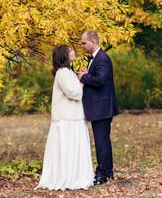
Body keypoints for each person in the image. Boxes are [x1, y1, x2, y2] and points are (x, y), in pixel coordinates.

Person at [35, 45, 94, 191]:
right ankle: (68, 177)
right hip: (67, 119)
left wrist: (80, 76)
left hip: (73, 117)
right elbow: (73, 93)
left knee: (72, 150)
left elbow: (74, 87)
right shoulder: (62, 73)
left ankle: (76, 175)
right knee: (67, 150)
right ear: (64, 55)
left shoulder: (68, 72)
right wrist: (83, 81)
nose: (74, 52)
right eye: (70, 51)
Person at [78, 30, 119, 185]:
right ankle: (107, 172)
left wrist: (84, 77)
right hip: (100, 107)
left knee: (102, 142)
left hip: (102, 107)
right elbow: (97, 76)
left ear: (93, 42)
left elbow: (100, 80)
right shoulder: (96, 58)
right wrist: (88, 73)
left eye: (84, 43)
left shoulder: (102, 58)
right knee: (103, 141)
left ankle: (102, 174)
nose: (82, 46)